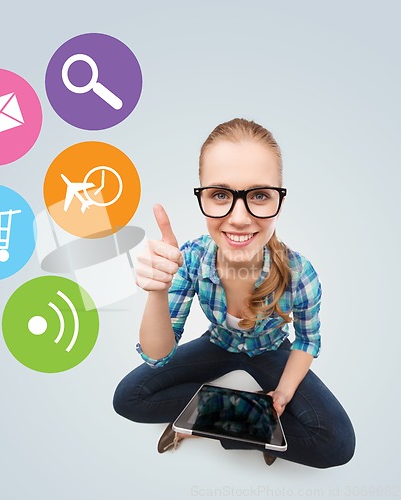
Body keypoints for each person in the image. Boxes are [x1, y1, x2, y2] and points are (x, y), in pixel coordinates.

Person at [113, 118, 355, 468]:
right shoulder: (191, 259)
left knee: (337, 443)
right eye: (221, 195)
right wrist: (157, 292)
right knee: (129, 398)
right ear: (203, 196)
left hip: (272, 352)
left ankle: (201, 424)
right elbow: (156, 356)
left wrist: (283, 393)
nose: (239, 218)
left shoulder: (301, 273)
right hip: (219, 345)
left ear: (279, 200)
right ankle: (246, 421)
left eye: (258, 195)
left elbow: (306, 340)